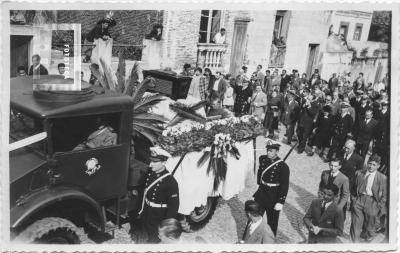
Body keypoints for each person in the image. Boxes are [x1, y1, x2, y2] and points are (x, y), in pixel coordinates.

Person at [140, 146, 179, 243]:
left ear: (164, 162)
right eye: (151, 161)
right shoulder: (151, 173)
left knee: (154, 240)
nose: (150, 164)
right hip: (148, 212)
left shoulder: (170, 182)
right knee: (148, 232)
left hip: (159, 216)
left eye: (155, 162)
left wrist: (166, 226)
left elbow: (173, 207)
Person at [253, 140, 290, 236]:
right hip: (261, 193)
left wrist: (280, 201)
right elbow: (260, 172)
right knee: (255, 218)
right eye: (268, 150)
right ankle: (252, 239)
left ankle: (269, 242)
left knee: (272, 223)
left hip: (273, 196)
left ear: (277, 151)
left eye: (271, 151)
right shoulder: (263, 159)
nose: (268, 152)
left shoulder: (283, 167)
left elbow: (284, 185)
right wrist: (259, 183)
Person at [350, 154, 387, 242]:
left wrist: (379, 206)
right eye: (370, 163)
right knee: (355, 225)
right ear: (367, 163)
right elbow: (353, 187)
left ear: (378, 166)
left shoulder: (382, 178)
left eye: (374, 165)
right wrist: (353, 199)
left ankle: (367, 241)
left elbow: (385, 195)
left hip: (373, 202)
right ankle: (353, 245)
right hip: (359, 200)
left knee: (369, 229)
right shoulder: (359, 173)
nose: (371, 166)